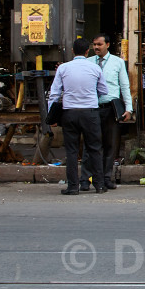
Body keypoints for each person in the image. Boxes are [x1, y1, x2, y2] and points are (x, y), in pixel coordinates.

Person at [49, 38, 109, 195]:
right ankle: (99, 185)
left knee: (71, 151)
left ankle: (73, 186)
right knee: (94, 149)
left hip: (70, 113)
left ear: (72, 51)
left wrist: (51, 116)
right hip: (90, 113)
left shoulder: (63, 68)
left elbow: (54, 94)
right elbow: (104, 91)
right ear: (87, 51)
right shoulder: (95, 68)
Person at [82, 33, 132, 192]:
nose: (96, 47)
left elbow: (124, 86)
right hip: (92, 108)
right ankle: (86, 179)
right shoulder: (88, 62)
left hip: (110, 108)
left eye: (99, 44)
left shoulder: (117, 62)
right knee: (90, 145)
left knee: (110, 145)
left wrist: (128, 108)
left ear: (108, 45)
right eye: (94, 45)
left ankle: (106, 178)